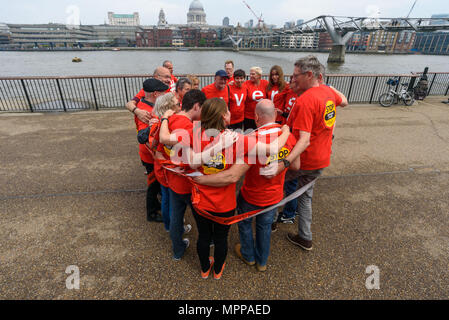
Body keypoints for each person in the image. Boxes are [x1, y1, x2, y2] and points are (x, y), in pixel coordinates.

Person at [262, 55, 348, 251]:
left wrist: (284, 162)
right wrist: (327, 86)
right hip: (322, 158)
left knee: (276, 186)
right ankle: (305, 237)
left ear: (309, 75)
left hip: (304, 159)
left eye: (296, 76)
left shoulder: (306, 100)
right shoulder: (327, 93)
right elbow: (345, 101)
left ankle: (270, 223)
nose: (293, 80)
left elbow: (304, 139)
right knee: (305, 196)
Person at [235, 99, 299, 272]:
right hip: (274, 195)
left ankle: (248, 256)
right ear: (276, 115)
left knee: (245, 224)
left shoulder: (251, 138)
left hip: (251, 194)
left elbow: (236, 170)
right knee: (264, 228)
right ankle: (262, 262)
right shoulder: (288, 136)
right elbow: (296, 165)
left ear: (256, 116)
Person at [157, 90, 206, 260]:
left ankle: (177, 250)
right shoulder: (189, 128)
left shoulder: (169, 120)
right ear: (196, 106)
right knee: (201, 219)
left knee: (176, 218)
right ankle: (208, 242)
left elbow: (159, 151)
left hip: (173, 181)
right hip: (189, 183)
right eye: (202, 109)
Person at [134, 78, 169, 222]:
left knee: (155, 184)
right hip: (150, 156)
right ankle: (152, 212)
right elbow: (144, 137)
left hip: (150, 154)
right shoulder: (145, 112)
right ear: (155, 94)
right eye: (162, 93)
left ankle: (156, 205)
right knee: (153, 184)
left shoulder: (144, 104)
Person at [151, 92, 182, 231]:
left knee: (166, 198)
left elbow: (154, 148)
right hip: (168, 169)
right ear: (169, 108)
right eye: (177, 104)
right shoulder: (165, 125)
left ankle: (169, 226)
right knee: (171, 202)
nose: (180, 106)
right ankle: (174, 228)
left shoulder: (158, 123)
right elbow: (157, 150)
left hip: (163, 168)